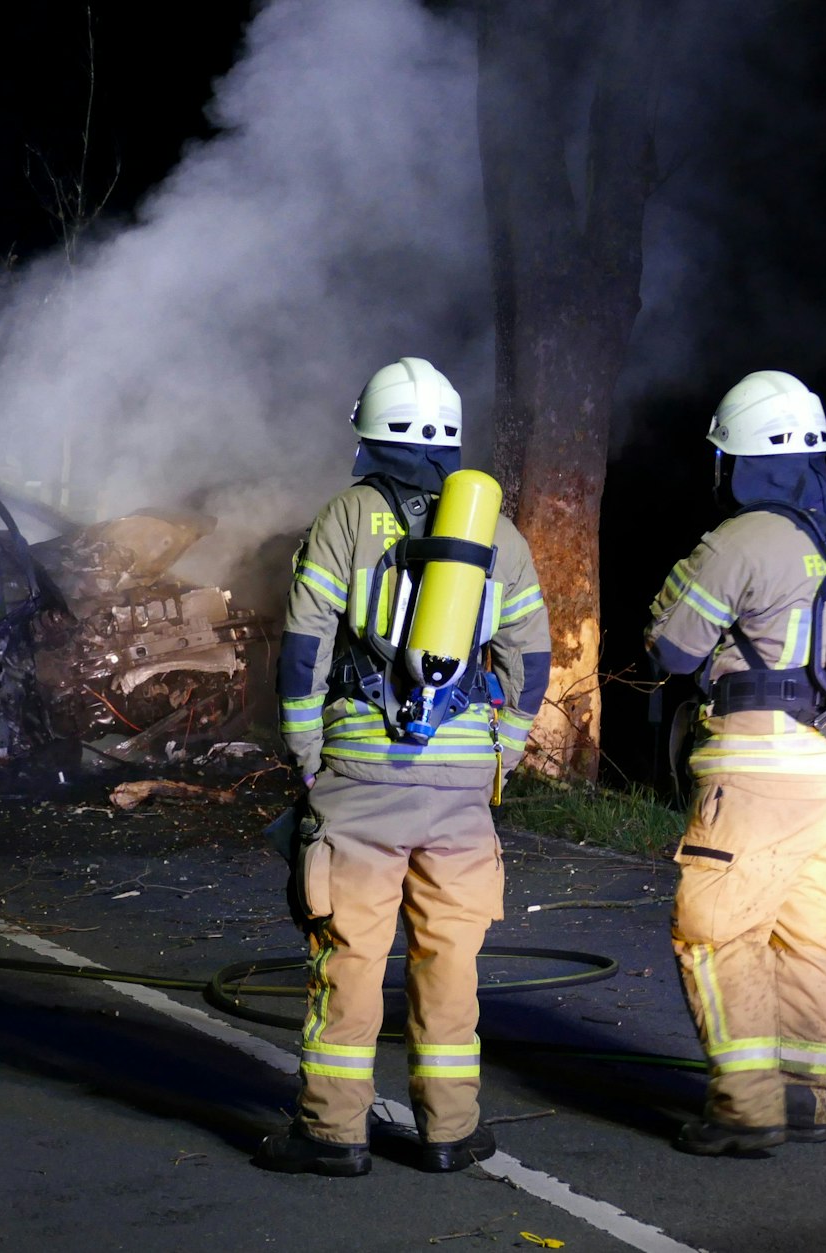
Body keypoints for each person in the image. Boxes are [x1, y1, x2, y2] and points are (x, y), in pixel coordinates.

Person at [264, 357, 551, 1177]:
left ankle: (332, 1134)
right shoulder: (495, 530)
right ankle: (451, 1131)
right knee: (449, 957)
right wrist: (509, 746)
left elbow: (304, 649)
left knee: (350, 955)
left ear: (368, 432)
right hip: (462, 784)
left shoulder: (345, 517)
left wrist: (308, 755)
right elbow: (532, 652)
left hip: (362, 772)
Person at [643, 370, 826, 1156]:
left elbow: (673, 648)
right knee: (804, 934)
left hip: (758, 770)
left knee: (713, 930)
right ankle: (806, 1096)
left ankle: (745, 1106)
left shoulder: (743, 539)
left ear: (739, 457)